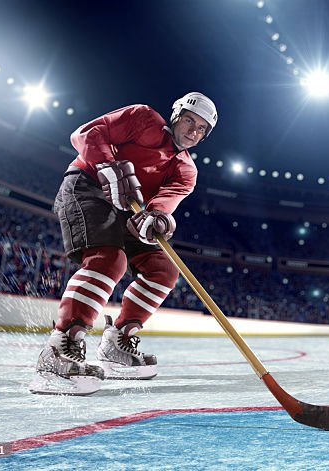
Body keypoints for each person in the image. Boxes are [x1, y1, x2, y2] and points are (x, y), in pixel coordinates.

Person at [29, 92, 217, 396]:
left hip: (129, 210)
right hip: (86, 186)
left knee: (164, 270)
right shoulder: (142, 118)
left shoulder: (186, 172)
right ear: (177, 114)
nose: (193, 131)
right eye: (189, 121)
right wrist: (107, 166)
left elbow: (162, 205)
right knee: (108, 259)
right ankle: (60, 348)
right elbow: (86, 133)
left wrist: (157, 219)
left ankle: (118, 342)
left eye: (201, 130)